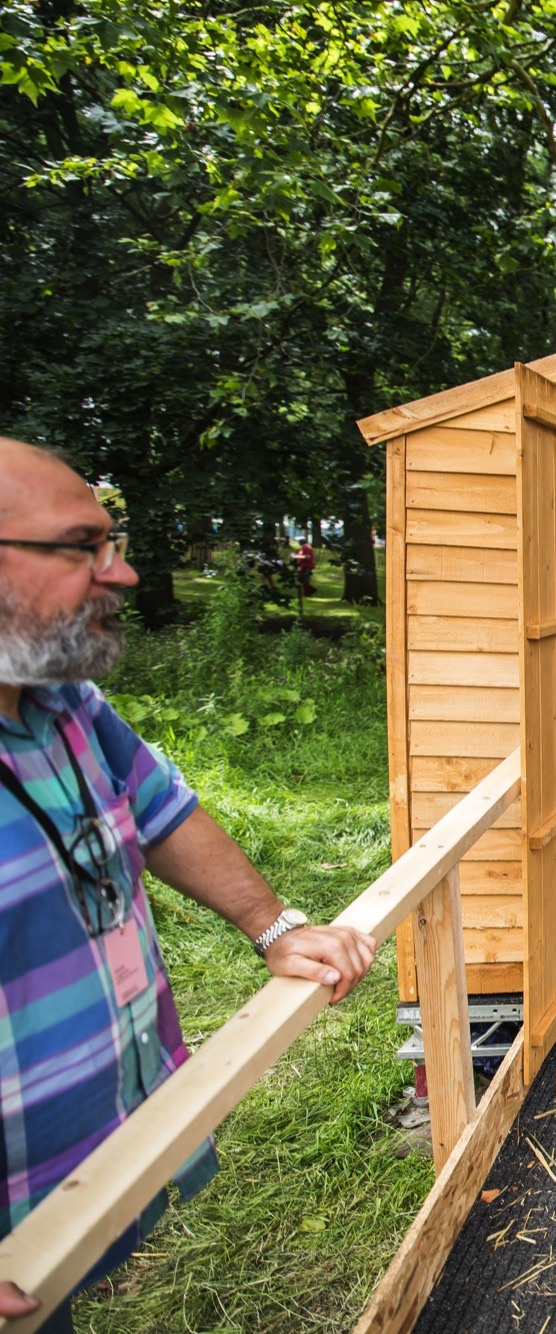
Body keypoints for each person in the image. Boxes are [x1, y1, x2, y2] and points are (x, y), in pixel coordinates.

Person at [0, 439, 377, 1331]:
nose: (121, 572)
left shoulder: (62, 702)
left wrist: (272, 922)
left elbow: (159, 809)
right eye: (82, 546)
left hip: (81, 1177)